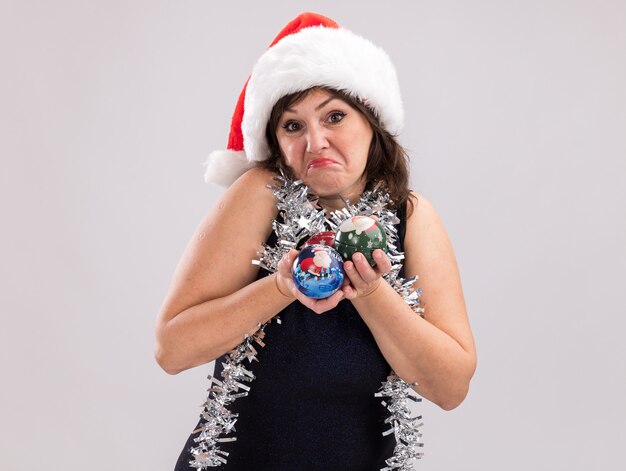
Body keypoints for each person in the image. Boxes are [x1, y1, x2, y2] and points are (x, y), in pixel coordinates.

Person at [155, 12, 476, 470]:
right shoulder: (260, 193)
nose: (316, 141)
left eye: (335, 117)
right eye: (293, 126)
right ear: (277, 141)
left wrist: (370, 293)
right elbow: (172, 349)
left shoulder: (411, 217)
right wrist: (283, 287)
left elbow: (450, 388)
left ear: (372, 121)